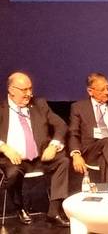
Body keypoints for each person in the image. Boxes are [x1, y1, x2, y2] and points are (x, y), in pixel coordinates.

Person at [0, 72, 70, 227]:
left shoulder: (39, 104)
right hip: (15, 160)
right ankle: (19, 207)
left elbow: (61, 125)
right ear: (11, 90)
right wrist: (4, 147)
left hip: (40, 157)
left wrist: (53, 145)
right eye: (24, 90)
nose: (29, 93)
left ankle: (54, 211)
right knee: (12, 174)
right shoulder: (1, 109)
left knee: (63, 161)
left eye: (30, 89)